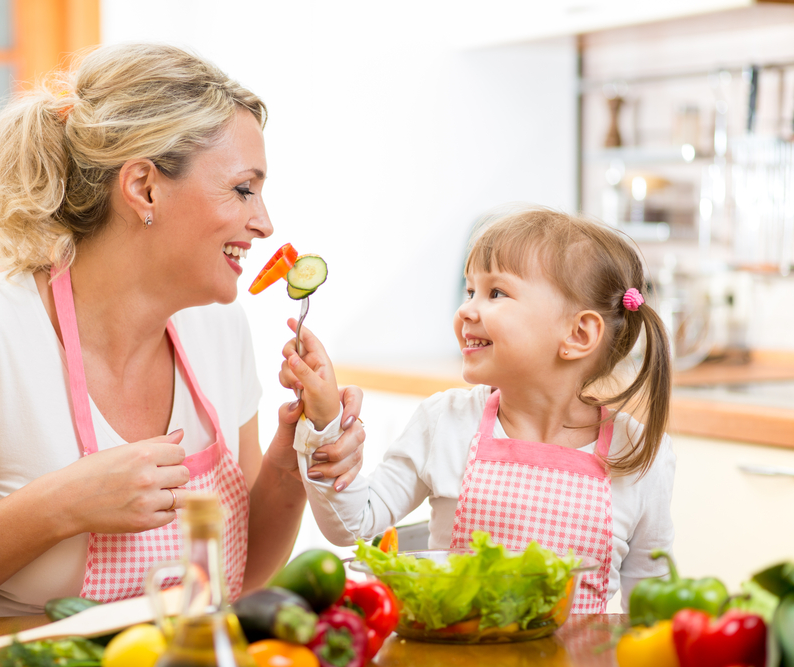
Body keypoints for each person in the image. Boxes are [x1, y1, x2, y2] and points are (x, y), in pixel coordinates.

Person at [0, 43, 366, 626]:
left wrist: (293, 461)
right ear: (143, 187)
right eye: (244, 189)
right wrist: (61, 506)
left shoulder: (220, 329)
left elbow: (234, 580)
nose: (265, 223)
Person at [282, 207, 676, 613]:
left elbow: (647, 607)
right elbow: (354, 524)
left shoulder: (641, 456)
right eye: (470, 291)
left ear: (577, 334)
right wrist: (325, 423)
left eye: (496, 293)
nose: (466, 310)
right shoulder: (445, 421)